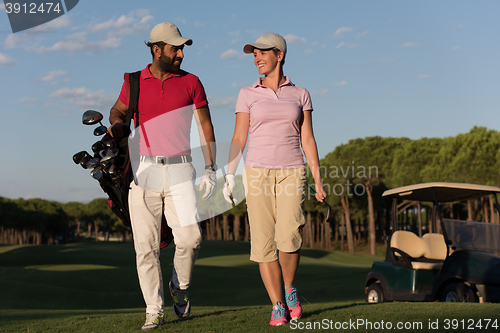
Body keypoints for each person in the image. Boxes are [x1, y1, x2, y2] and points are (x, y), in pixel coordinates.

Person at [108, 22, 217, 331]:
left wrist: (211, 167)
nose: (181, 53)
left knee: (191, 239)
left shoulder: (191, 81)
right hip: (143, 170)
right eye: (175, 48)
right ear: (156, 49)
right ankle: (153, 310)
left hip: (181, 168)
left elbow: (205, 125)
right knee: (145, 246)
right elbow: (117, 110)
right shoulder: (133, 81)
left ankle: (179, 288)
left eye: (182, 48)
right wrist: (117, 124)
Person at [223, 33, 327, 326]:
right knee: (263, 242)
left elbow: (307, 137)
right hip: (256, 172)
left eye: (262, 53)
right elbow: (239, 136)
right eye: (254, 54)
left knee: (289, 236)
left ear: (279, 55)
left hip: (292, 170)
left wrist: (318, 180)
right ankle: (277, 304)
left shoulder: (300, 93)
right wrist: (230, 173)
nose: (257, 58)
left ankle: (290, 289)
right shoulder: (247, 93)